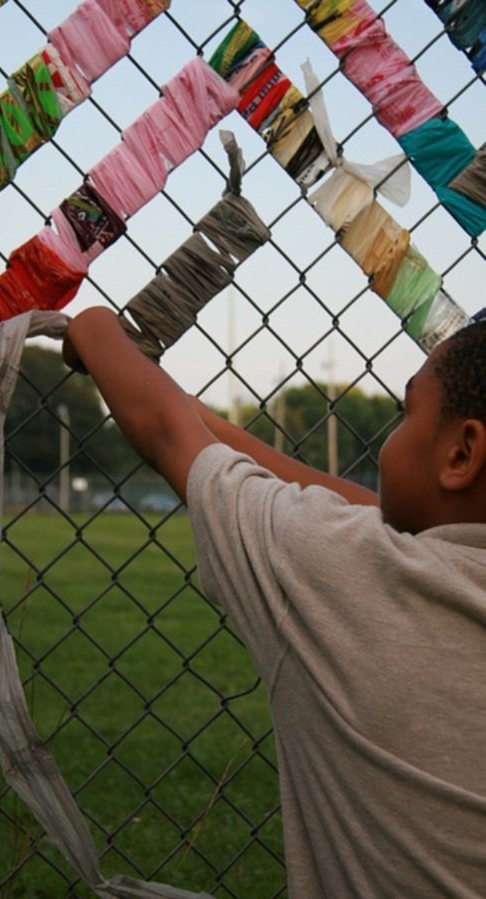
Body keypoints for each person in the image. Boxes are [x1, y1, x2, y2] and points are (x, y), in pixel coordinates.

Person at [63, 308, 486, 898]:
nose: (398, 426)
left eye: (405, 411)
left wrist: (96, 330)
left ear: (462, 456)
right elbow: (359, 508)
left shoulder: (344, 571)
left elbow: (165, 432)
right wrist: (193, 411)